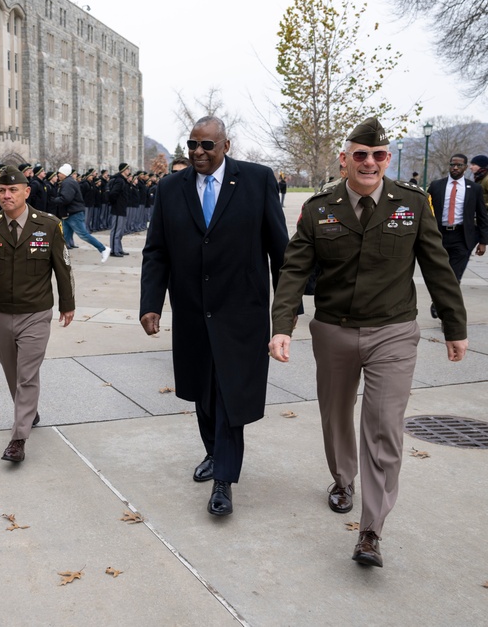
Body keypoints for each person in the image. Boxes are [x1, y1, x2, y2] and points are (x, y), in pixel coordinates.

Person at [269, 117, 468, 568]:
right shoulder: (320, 208)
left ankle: (371, 531)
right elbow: (294, 269)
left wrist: (454, 327)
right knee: (337, 414)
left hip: (394, 331)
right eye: (360, 154)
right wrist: (282, 324)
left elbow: (438, 267)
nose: (370, 162)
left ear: (387, 159)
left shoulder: (413, 204)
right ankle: (343, 479)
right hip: (335, 330)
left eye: (379, 155)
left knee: (383, 427)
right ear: (345, 160)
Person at [140, 116, 288, 517]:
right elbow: (157, 251)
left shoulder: (257, 180)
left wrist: (287, 314)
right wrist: (151, 303)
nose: (199, 153)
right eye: (192, 145)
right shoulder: (172, 187)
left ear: (226, 144)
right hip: (191, 313)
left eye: (207, 145)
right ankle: (214, 453)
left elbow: (281, 251)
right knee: (203, 395)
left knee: (228, 397)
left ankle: (223, 480)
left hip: (242, 314)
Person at [0, 165, 75, 463]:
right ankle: (29, 412)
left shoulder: (48, 225)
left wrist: (67, 303)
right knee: (11, 370)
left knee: (26, 375)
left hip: (35, 312)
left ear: (26, 192)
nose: (6, 195)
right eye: (1, 190)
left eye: (12, 190)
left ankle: (18, 438)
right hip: (0, 313)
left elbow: (63, 268)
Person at [427, 154, 488, 318]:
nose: (455, 168)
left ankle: (446, 313)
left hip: (462, 238)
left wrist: (483, 241)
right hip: (439, 236)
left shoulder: (474, 189)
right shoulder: (436, 186)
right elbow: (426, 211)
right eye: (453, 165)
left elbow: (482, 215)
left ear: (465, 168)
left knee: (454, 278)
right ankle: (438, 301)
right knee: (439, 276)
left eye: (459, 165)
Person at [56, 164, 111, 262]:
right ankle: (59, 257)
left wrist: (53, 200)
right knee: (64, 237)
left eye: (59, 173)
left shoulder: (68, 183)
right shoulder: (69, 182)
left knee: (83, 234)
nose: (58, 175)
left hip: (73, 214)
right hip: (69, 214)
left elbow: (66, 198)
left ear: (64, 173)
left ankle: (103, 249)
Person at [107, 163, 131, 256]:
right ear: (124, 170)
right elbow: (113, 194)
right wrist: (115, 204)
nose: (129, 171)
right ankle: (113, 250)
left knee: (120, 231)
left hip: (122, 208)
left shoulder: (123, 181)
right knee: (116, 230)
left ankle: (119, 248)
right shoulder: (119, 180)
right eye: (128, 169)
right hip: (117, 208)